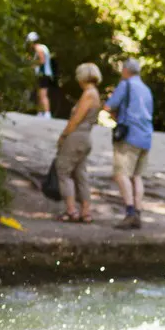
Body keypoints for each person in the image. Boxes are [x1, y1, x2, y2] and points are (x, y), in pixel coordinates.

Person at [105, 56, 154, 230]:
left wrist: (114, 116)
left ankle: (130, 211)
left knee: (121, 174)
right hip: (146, 137)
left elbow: (109, 106)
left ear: (125, 71)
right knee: (137, 176)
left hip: (129, 136)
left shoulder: (126, 84)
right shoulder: (146, 89)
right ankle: (138, 211)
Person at [52, 63, 102, 223]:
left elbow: (76, 119)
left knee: (63, 171)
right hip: (86, 137)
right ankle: (85, 212)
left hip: (77, 136)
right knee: (80, 173)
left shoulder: (89, 94)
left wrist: (63, 135)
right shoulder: (95, 93)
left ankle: (71, 210)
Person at [28, 33, 56, 116]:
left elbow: (42, 61)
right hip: (45, 74)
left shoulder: (38, 48)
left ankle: (47, 113)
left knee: (43, 94)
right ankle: (41, 112)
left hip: (43, 74)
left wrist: (32, 63)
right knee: (40, 94)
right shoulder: (43, 47)